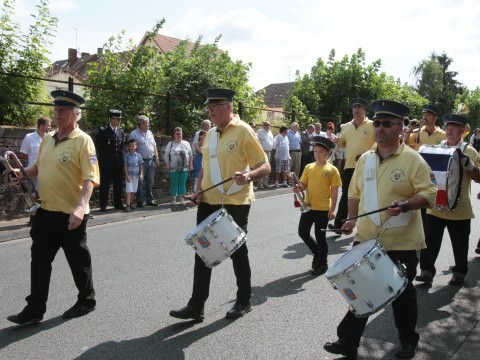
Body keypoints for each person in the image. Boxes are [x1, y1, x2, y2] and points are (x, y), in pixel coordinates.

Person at [323, 99, 437, 360]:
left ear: (401, 128)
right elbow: (354, 193)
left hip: (402, 241)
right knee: (361, 289)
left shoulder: (413, 160)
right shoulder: (364, 160)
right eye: (378, 123)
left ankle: (408, 341)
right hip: (367, 237)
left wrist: (408, 205)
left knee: (401, 295)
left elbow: (430, 194)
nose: (381, 128)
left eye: (388, 124)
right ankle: (347, 342)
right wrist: (351, 219)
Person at [169, 88, 270, 321]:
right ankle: (197, 305)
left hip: (236, 199)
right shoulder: (211, 134)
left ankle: (244, 300)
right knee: (202, 250)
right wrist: (199, 191)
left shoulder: (244, 131)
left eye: (215, 106)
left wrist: (248, 176)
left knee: (237, 251)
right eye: (208, 107)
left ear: (229, 107)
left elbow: (265, 165)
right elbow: (206, 165)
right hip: (210, 200)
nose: (210, 111)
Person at [7, 90, 100, 325]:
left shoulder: (83, 141)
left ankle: (86, 300)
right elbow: (36, 168)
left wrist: (81, 208)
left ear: (76, 115)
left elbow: (90, 178)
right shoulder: (47, 139)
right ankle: (35, 308)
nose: (58, 113)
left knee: (77, 261)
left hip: (71, 213)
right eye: (56, 109)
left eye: (63, 110)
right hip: (46, 211)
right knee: (39, 259)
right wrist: (21, 173)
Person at [416, 113, 480, 286]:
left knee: (460, 244)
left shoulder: (469, 150)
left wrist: (470, 165)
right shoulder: (439, 146)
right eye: (447, 127)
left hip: (459, 209)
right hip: (436, 206)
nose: (449, 130)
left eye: (453, 128)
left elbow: (478, 178)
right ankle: (427, 271)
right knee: (429, 242)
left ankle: (459, 272)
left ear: (461, 131)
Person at [295, 136, 340, 275]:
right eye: (315, 151)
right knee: (302, 232)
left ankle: (322, 263)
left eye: (321, 152)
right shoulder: (309, 167)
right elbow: (303, 184)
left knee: (320, 237)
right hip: (308, 206)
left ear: (328, 153)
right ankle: (319, 255)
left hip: (323, 208)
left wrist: (332, 210)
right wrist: (298, 187)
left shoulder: (332, 170)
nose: (317, 154)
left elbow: (334, 191)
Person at [329, 98, 375, 233]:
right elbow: (342, 144)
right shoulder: (345, 127)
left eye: (359, 107)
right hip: (350, 166)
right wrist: (337, 140)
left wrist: (367, 155)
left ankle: (368, 226)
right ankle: (339, 224)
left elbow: (378, 143)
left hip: (369, 165)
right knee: (346, 195)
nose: (356, 110)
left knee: (368, 196)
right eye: (354, 107)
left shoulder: (373, 125)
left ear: (365, 110)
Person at [19, 115, 51, 224]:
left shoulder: (50, 138)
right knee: (33, 195)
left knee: (43, 195)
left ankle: (40, 218)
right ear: (41, 125)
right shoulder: (29, 137)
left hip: (46, 172)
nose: (50, 127)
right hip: (33, 172)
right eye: (48, 125)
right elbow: (23, 154)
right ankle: (33, 218)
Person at [96, 109, 126, 211]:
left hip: (117, 163)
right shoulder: (103, 131)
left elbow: (121, 147)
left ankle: (118, 204)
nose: (119, 121)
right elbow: (99, 147)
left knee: (118, 185)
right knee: (105, 185)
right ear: (111, 119)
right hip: (106, 163)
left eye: (119, 119)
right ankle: (103, 205)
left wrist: (121, 163)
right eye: (117, 119)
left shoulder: (121, 131)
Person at [128, 115, 160, 207]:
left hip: (151, 160)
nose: (149, 124)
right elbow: (130, 148)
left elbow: (154, 146)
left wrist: (157, 158)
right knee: (139, 182)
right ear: (141, 124)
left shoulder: (150, 133)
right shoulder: (134, 134)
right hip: (140, 162)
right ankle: (140, 201)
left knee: (150, 182)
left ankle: (150, 200)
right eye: (147, 123)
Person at [164, 127, 193, 205]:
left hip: (184, 168)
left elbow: (190, 155)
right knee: (174, 183)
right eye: (177, 134)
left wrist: (190, 165)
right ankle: (174, 199)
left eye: (180, 133)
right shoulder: (170, 144)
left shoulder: (186, 143)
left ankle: (181, 199)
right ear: (174, 135)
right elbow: (166, 155)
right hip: (173, 168)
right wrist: (167, 164)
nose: (179, 135)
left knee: (182, 183)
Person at [123, 139, 143, 211]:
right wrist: (127, 175)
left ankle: (131, 203)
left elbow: (140, 165)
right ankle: (127, 205)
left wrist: (141, 174)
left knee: (134, 191)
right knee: (129, 190)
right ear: (128, 147)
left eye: (133, 146)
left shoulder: (139, 155)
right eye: (130, 146)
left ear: (136, 146)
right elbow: (125, 166)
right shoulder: (126, 155)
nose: (131, 147)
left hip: (136, 176)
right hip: (129, 176)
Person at [256, 120, 274, 189]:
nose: (268, 126)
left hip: (269, 152)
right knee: (261, 167)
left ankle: (265, 183)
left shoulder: (270, 132)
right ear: (263, 125)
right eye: (266, 124)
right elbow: (256, 141)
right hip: (262, 152)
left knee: (267, 168)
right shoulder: (260, 132)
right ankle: (260, 184)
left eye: (269, 125)